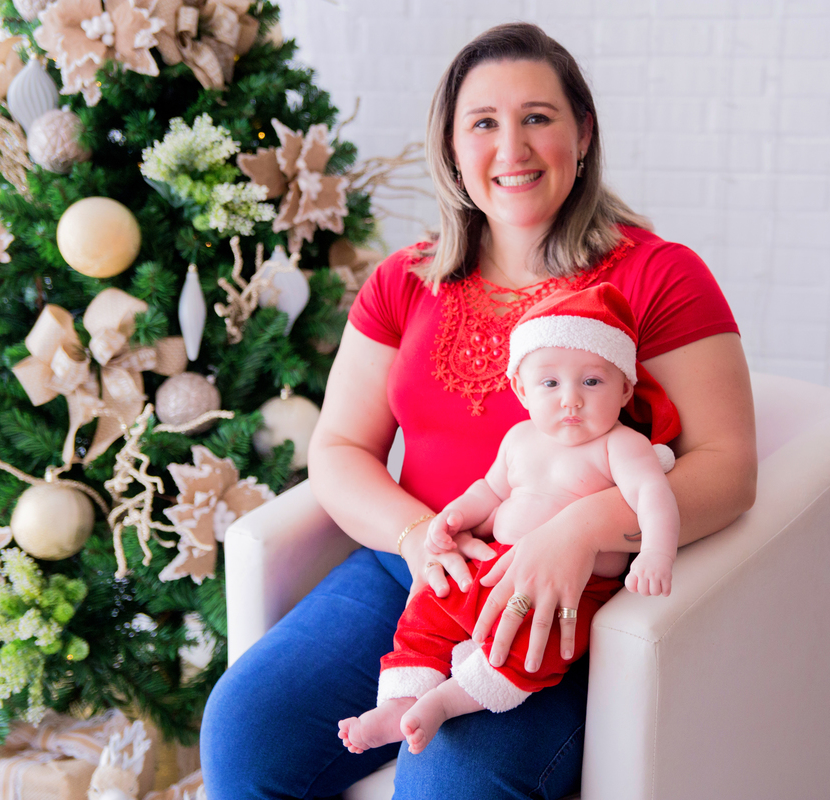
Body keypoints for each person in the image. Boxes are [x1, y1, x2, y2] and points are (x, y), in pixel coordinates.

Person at [200, 21, 757, 800]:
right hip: (417, 574)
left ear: (583, 133)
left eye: (538, 117)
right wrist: (417, 537)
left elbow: (729, 470)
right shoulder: (405, 280)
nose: (513, 148)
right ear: (453, 149)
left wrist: (580, 529)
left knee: (449, 781)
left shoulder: (659, 276)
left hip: (560, 606)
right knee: (247, 731)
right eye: (484, 124)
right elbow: (340, 449)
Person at [337, 283, 681, 757]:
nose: (571, 400)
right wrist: (453, 518)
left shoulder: (619, 446)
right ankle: (401, 697)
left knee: (530, 648)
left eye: (592, 382)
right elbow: (490, 491)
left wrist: (656, 555)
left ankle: (448, 700)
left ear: (625, 388)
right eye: (550, 383)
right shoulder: (520, 439)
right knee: (429, 608)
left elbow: (654, 497)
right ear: (521, 388)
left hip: (568, 590)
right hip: (490, 566)